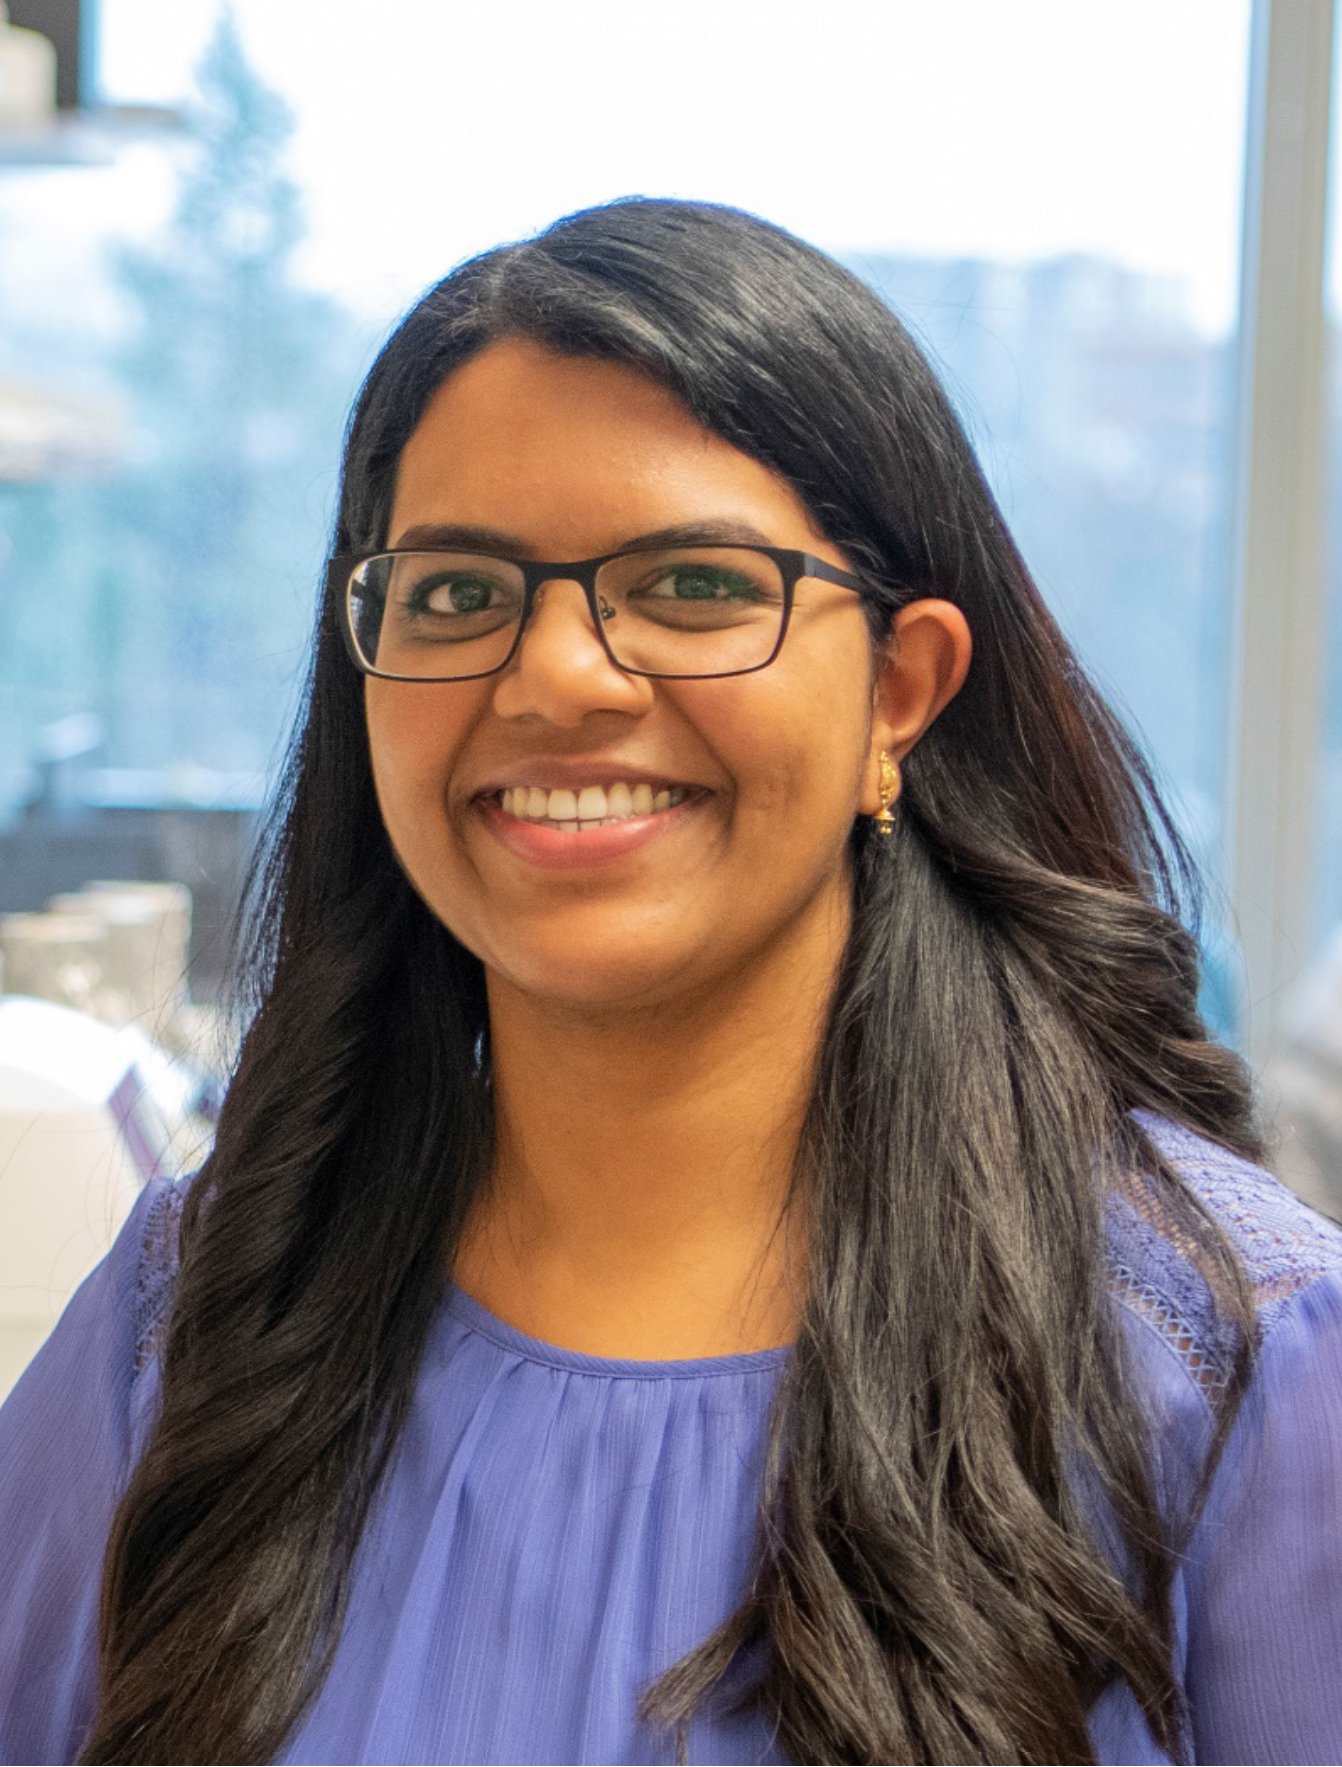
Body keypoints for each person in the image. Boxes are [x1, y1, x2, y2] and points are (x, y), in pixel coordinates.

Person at [1, 197, 1340, 1767]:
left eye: (695, 586)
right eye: (456, 593)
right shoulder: (190, 1324)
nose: (557, 677)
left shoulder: (1232, 1367)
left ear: (898, 690)